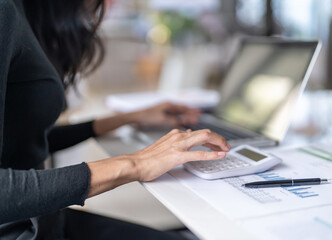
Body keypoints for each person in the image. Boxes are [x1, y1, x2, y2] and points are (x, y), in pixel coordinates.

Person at [0, 0, 231, 239]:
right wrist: (136, 164)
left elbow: (20, 140)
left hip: (41, 218)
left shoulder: (24, 10)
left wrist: (127, 118)